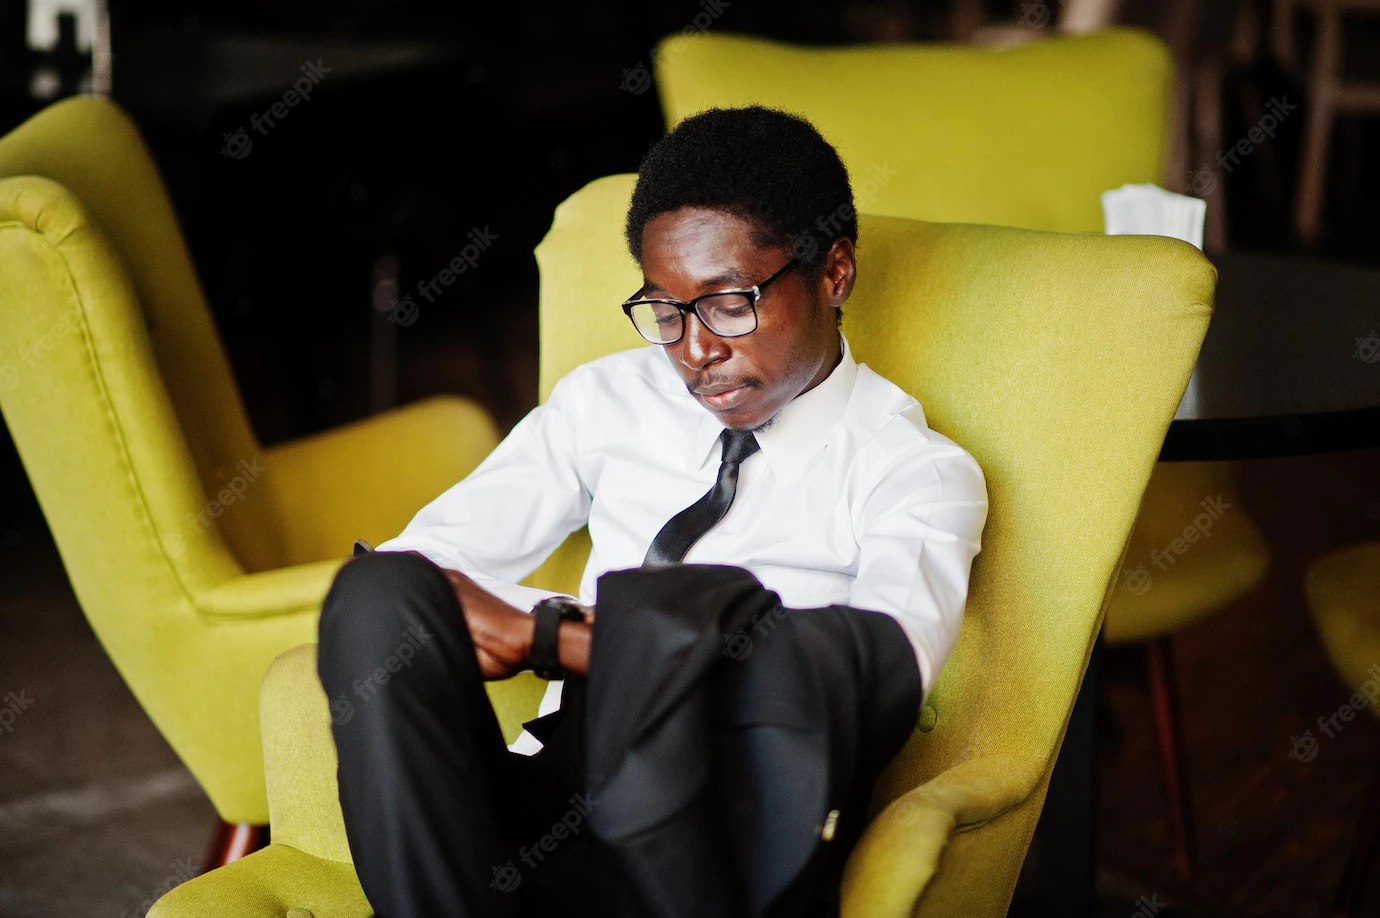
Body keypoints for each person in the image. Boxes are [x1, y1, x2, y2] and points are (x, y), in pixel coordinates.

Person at [317, 105, 989, 918]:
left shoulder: (914, 472)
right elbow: (419, 569)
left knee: (717, 604)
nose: (694, 350)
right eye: (665, 312)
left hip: (724, 818)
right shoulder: (609, 399)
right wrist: (497, 621)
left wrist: (562, 636)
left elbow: (877, 675)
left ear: (834, 271)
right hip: (552, 793)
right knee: (377, 596)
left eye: (729, 303)